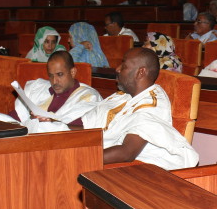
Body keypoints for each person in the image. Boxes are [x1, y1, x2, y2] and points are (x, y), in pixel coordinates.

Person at [70, 48, 199, 170]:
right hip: (95, 150)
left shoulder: (152, 105)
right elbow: (87, 126)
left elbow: (127, 152)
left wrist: (76, 158)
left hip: (132, 172)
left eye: (124, 66)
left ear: (141, 72)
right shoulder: (123, 95)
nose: (118, 69)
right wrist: (55, 129)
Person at [0, 50, 102, 133]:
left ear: (73, 72)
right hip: (25, 130)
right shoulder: (39, 88)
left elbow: (84, 129)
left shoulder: (88, 96)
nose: (55, 81)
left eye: (60, 75)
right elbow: (17, 117)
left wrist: (51, 121)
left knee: (45, 126)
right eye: (51, 75)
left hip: (53, 137)